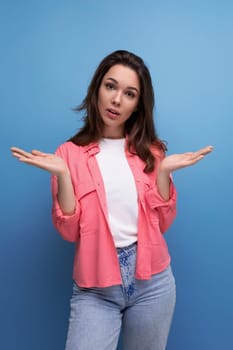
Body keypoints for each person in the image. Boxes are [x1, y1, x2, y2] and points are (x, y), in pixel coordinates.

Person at [11, 50, 213, 350]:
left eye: (129, 93)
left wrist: (164, 173)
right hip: (96, 287)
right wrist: (64, 176)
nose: (117, 100)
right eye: (111, 86)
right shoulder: (68, 154)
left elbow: (165, 223)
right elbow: (68, 232)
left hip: (153, 283)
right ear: (97, 89)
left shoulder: (152, 152)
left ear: (137, 105)